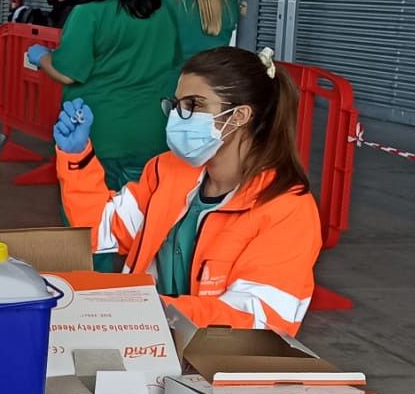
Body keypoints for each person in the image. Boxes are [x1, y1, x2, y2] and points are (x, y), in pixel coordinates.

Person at [52, 45, 320, 333]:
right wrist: (77, 158)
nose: (178, 117)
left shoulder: (287, 209)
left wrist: (146, 309)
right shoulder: (167, 171)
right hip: (147, 341)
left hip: (217, 362)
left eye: (194, 105)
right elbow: (100, 230)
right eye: (177, 105)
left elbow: (256, 321)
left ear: (240, 116)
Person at [24, 0, 179, 190]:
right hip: (153, 131)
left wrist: (41, 56)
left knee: (92, 218)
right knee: (142, 219)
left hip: (99, 133)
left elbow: (67, 72)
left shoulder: (89, 13)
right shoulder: (162, 9)